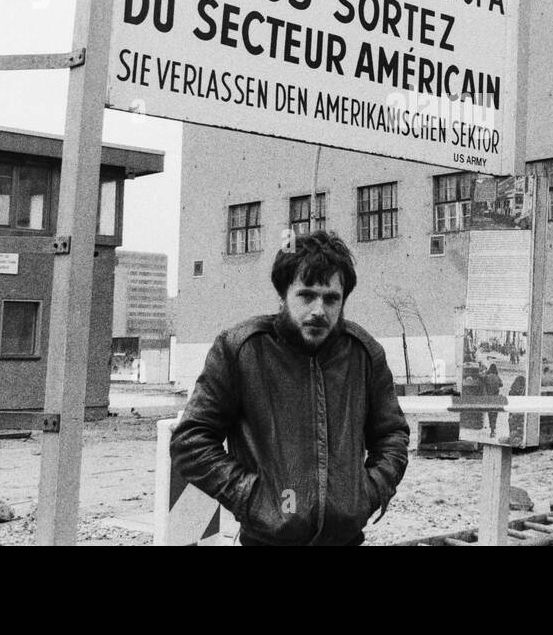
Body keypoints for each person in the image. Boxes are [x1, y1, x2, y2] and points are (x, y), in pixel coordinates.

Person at [170, 231, 409, 546]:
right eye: (307, 295)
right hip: (266, 541)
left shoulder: (364, 353)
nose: (319, 310)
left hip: (346, 539)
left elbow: (392, 435)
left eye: (331, 298)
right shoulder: (241, 349)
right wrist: (252, 497)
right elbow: (191, 441)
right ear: (283, 295)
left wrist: (368, 492)